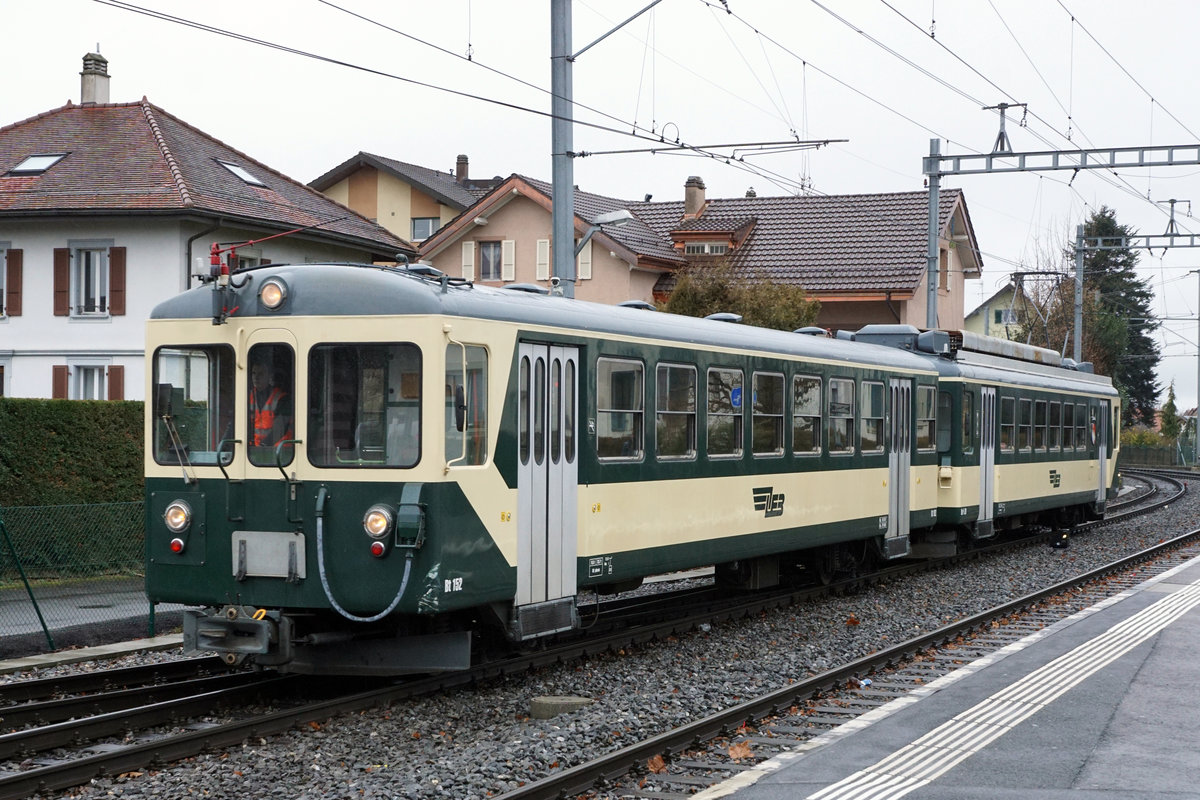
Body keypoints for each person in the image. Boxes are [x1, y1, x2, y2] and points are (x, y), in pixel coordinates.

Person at [249, 358, 293, 447]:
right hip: (255, 450)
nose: (256, 377)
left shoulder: (282, 398)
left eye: (261, 374)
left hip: (279, 452)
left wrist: (263, 445)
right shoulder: (247, 397)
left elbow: (280, 427)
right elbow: (235, 423)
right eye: (254, 373)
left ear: (269, 376)